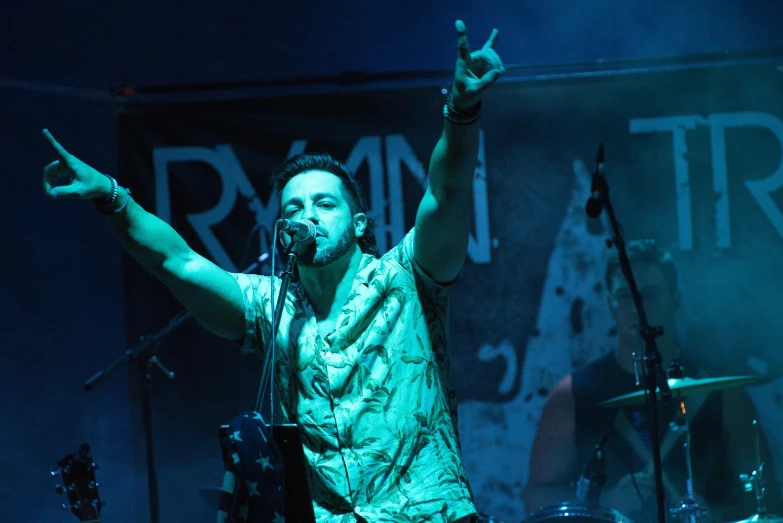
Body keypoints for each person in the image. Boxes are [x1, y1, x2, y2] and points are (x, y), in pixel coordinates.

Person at [41, 19, 505, 523]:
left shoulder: (409, 278)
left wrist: (462, 108)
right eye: (295, 207)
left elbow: (447, 192)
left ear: (359, 221)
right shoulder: (270, 307)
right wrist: (111, 197)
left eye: (324, 204)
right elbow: (177, 262)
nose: (307, 215)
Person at [523, 240, 781, 523]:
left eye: (650, 294)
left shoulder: (723, 392)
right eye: (624, 296)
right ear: (610, 305)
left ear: (676, 298)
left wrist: (717, 517)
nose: (637, 306)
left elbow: (766, 494)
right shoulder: (573, 395)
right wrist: (604, 505)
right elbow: (538, 495)